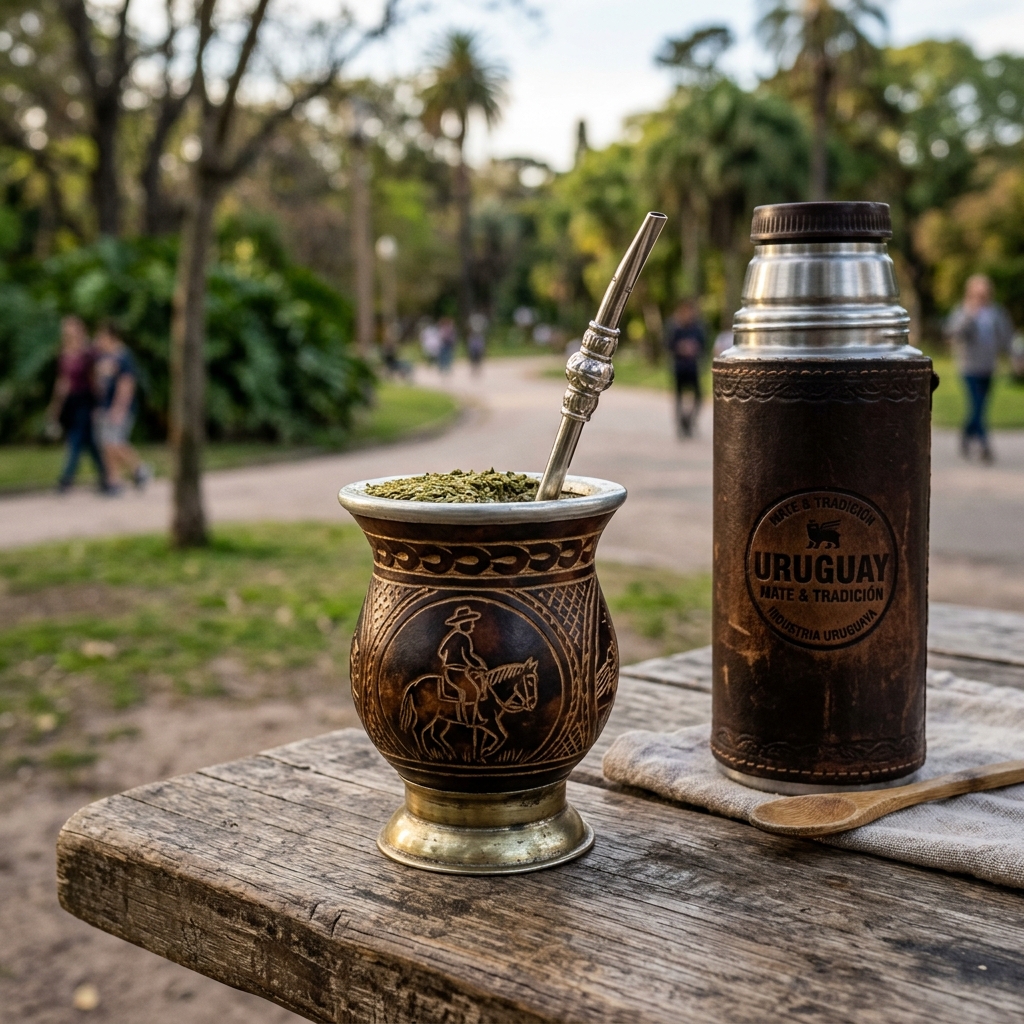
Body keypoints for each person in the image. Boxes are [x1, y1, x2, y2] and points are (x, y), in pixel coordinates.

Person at [945, 274, 1014, 463]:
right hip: (969, 367)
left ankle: (966, 435)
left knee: (980, 408)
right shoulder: (962, 311)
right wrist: (970, 315)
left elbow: (1006, 337)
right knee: (976, 405)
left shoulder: (996, 312)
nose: (981, 298)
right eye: (978, 294)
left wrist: (1014, 356)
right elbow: (953, 333)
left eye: (984, 294)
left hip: (989, 367)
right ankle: (985, 445)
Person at [47, 315, 111, 493]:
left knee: (75, 438)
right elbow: (63, 382)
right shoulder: (64, 354)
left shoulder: (89, 353)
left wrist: (101, 401)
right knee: (90, 441)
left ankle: (66, 479)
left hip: (86, 399)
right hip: (72, 401)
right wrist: (56, 406)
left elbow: (98, 374)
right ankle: (106, 478)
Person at [93, 322, 151, 491]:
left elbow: (127, 384)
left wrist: (119, 408)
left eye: (101, 336)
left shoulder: (124, 357)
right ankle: (114, 480)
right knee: (107, 445)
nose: (98, 340)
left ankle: (138, 469)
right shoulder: (104, 357)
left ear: (111, 336)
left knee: (115, 443)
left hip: (119, 408)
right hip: (105, 407)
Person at [664, 299, 707, 437]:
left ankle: (689, 420)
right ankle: (681, 423)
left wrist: (694, 348)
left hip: (693, 367)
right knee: (679, 397)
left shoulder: (697, 328)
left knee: (698, 397)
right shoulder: (675, 327)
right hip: (679, 367)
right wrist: (680, 348)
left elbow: (703, 344)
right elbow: (668, 344)